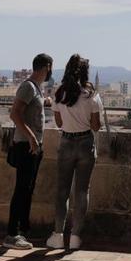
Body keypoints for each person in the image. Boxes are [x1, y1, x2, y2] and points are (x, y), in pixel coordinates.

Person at [45, 54, 102, 250]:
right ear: (85, 73)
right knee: (82, 190)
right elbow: (96, 126)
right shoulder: (91, 95)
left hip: (67, 141)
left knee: (62, 191)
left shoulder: (60, 93)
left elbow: (59, 123)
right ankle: (76, 236)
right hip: (86, 142)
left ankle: (58, 235)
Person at [3, 53, 53, 250]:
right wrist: (32, 137)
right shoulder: (28, 87)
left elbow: (32, 109)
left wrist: (46, 101)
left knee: (27, 189)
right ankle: (12, 234)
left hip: (32, 146)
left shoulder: (36, 89)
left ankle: (22, 231)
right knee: (22, 190)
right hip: (26, 145)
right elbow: (15, 113)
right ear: (47, 67)